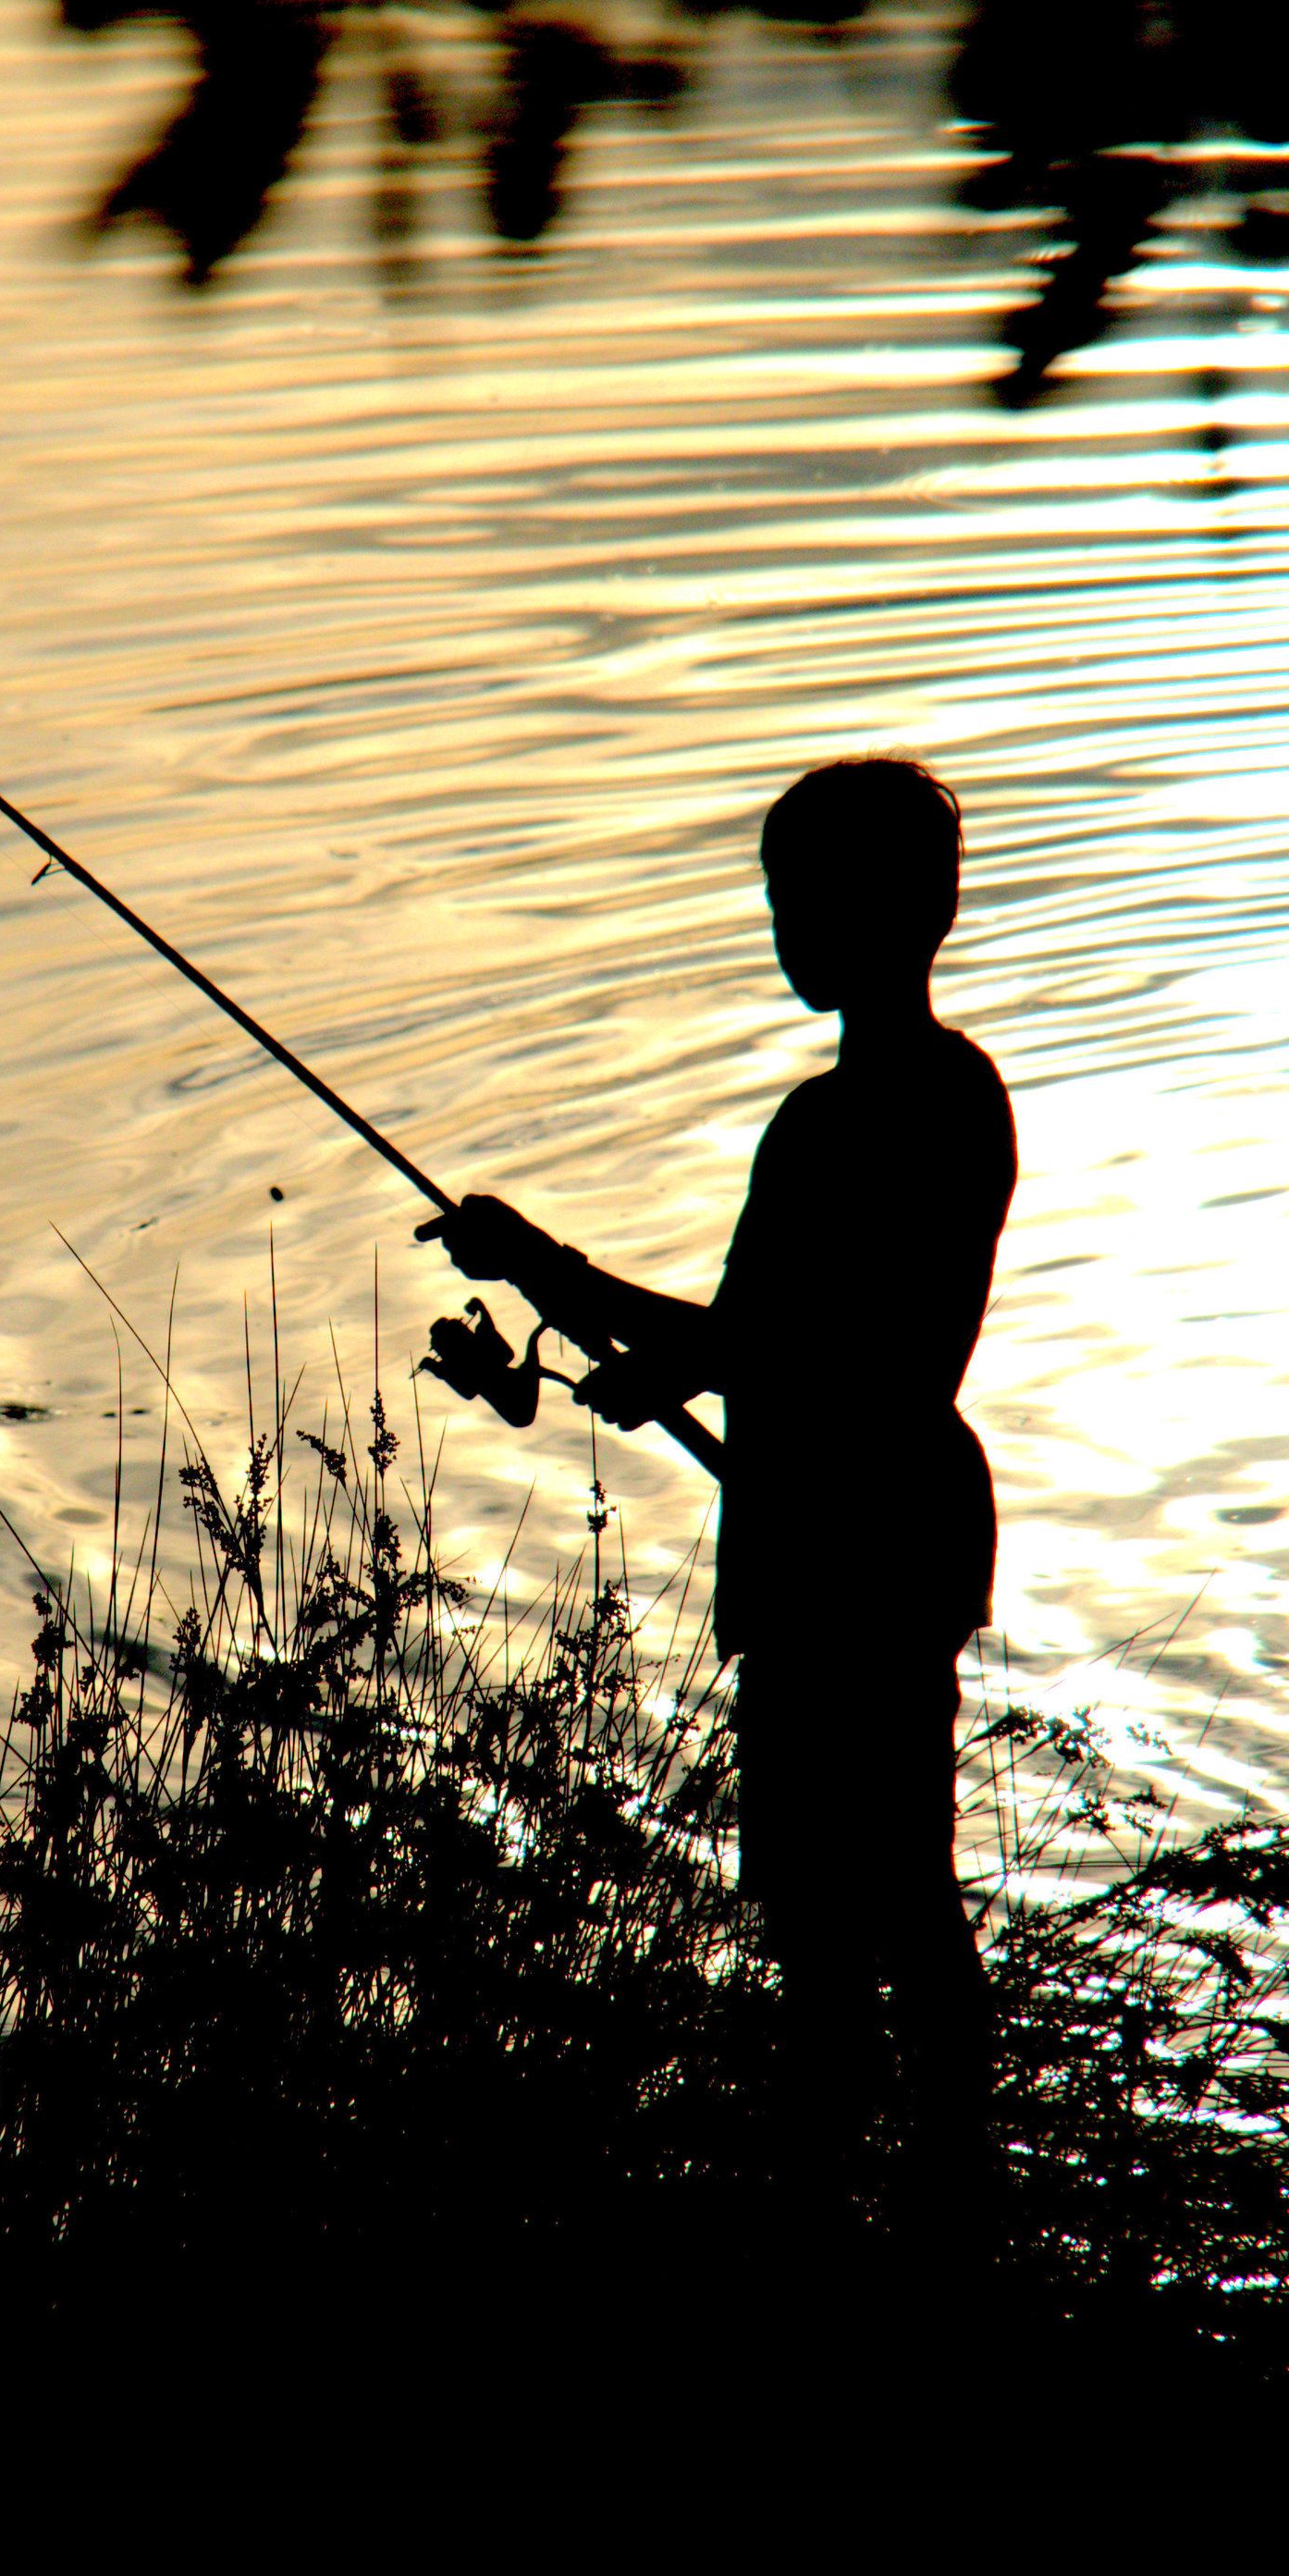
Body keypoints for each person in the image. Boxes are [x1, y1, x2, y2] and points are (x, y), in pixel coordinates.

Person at [419, 756, 1014, 2157]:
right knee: (835, 1913)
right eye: (777, 897)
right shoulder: (860, 1108)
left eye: (799, 897)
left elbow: (831, 1352)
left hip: (856, 1547)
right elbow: (757, 1343)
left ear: (890, 909)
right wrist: (627, 1329)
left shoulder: (910, 1106)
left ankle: (925, 2195)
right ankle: (905, 2186)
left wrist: (553, 1270)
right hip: (841, 1530)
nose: (783, 925)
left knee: (886, 1910)